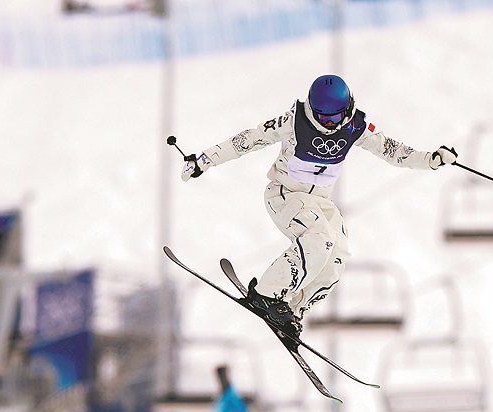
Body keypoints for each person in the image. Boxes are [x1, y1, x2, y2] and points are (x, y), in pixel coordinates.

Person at [181, 74, 457, 344]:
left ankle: (292, 308)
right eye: (322, 118)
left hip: (320, 202)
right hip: (285, 194)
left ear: (347, 109)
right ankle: (267, 293)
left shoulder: (356, 127)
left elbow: (392, 150)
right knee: (319, 238)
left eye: (334, 118)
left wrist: (430, 160)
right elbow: (249, 139)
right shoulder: (294, 121)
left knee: (337, 255)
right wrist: (204, 160)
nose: (328, 125)